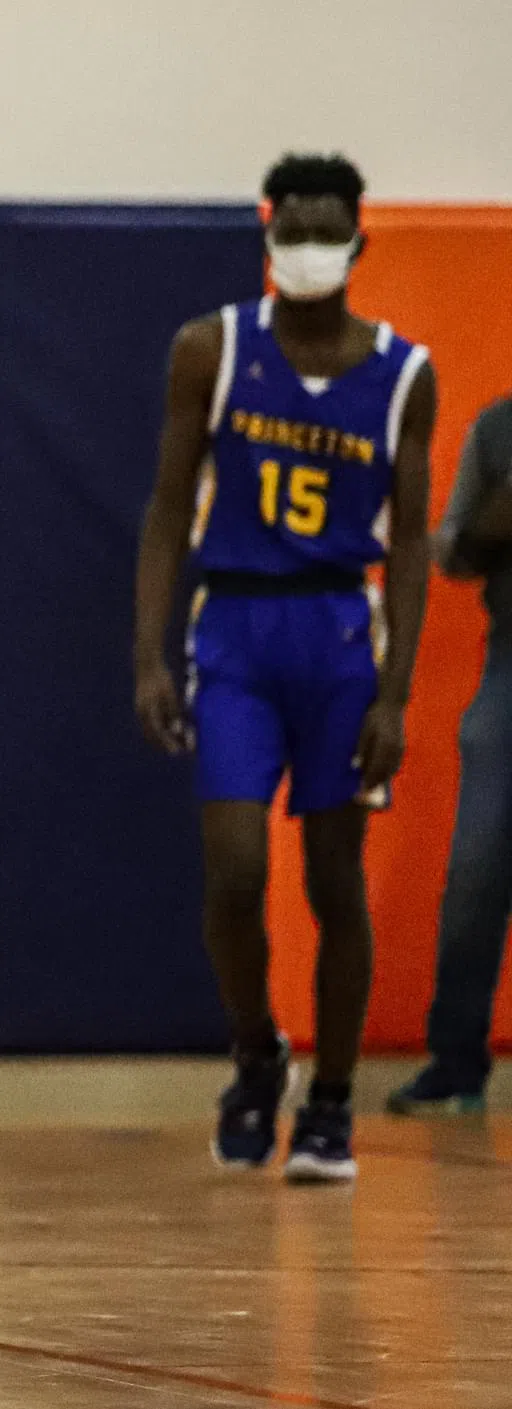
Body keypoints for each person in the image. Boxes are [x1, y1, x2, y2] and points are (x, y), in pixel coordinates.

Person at [134, 153, 435, 1181]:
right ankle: (256, 1053)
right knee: (233, 870)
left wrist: (395, 693)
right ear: (267, 240)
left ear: (357, 242)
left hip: (339, 631)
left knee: (332, 878)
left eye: (324, 229)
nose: (307, 245)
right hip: (234, 626)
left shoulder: (403, 371)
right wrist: (147, 655)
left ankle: (333, 1102)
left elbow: (408, 542)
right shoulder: (210, 347)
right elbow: (167, 507)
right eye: (290, 228)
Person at [389, 394, 512, 1114]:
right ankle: (457, 1062)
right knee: (477, 869)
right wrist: (494, 517)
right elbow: (452, 552)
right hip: (510, 666)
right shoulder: (497, 428)